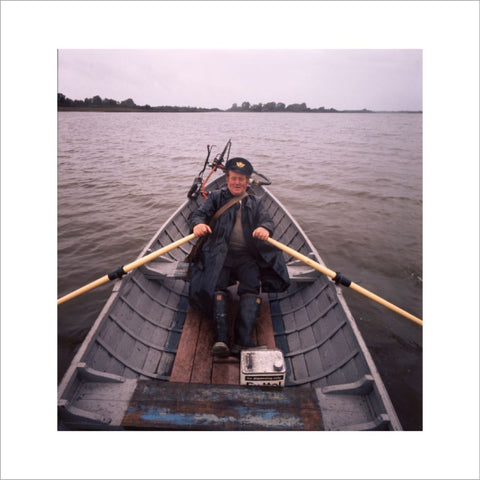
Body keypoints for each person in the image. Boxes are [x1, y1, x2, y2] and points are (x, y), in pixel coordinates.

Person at [188, 157, 290, 357]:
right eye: (234, 178)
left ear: (247, 181)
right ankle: (222, 340)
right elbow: (197, 215)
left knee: (252, 286)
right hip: (220, 253)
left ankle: (242, 342)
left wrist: (264, 228)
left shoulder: (255, 201)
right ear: (227, 179)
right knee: (216, 285)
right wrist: (198, 224)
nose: (237, 182)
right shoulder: (216, 197)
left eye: (241, 179)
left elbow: (267, 220)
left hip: (246, 256)